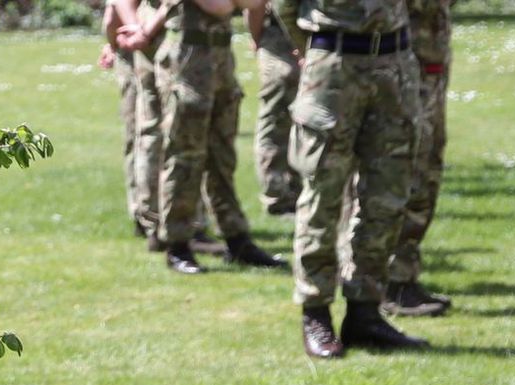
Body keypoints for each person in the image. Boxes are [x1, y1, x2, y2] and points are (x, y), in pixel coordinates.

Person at [278, 0, 428, 356]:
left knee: (387, 197)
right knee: (323, 194)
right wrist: (312, 48)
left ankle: (365, 311)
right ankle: (316, 312)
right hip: (333, 66)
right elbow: (284, 6)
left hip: (395, 65)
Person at [128, 0, 286, 273]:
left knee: (222, 155)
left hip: (220, 54)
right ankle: (177, 243)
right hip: (187, 57)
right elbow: (218, 6)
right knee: (185, 155)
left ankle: (236, 238)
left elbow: (254, 2)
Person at [383, 0, 453, 316]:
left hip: (432, 69)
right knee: (405, 174)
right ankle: (389, 282)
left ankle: (404, 276)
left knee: (427, 173)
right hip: (407, 71)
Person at [103, 0, 161, 243]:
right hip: (141, 46)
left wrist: (111, 43)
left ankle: (143, 211)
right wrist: (137, 32)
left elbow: (110, 19)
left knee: (140, 136)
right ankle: (149, 214)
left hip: (134, 44)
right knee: (148, 134)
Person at [251, 6, 302, 214]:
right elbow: (255, 6)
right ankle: (276, 196)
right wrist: (257, 40)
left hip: (309, 39)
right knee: (275, 121)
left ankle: (294, 191)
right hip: (279, 40)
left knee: (300, 122)